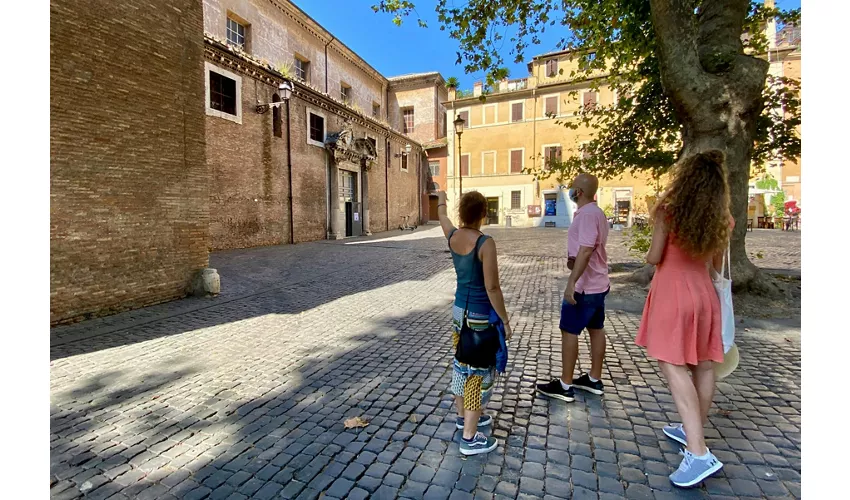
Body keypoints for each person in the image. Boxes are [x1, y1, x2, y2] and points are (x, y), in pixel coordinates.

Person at [635, 150, 733, 488]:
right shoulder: (723, 218)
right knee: (704, 365)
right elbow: (716, 265)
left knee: (673, 365)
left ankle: (699, 451)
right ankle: (692, 429)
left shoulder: (669, 211)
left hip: (673, 294)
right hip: (705, 294)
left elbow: (654, 256)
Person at [437, 190, 511, 456]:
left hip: (459, 312)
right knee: (477, 374)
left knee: (461, 363)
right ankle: (469, 437)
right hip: (480, 316)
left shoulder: (453, 236)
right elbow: (492, 287)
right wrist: (504, 318)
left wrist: (441, 197)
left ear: (461, 213)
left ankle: (462, 417)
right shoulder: (485, 243)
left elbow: (441, 215)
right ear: (483, 214)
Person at [537, 173, 610, 402]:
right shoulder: (597, 213)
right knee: (596, 329)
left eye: (573, 187)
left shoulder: (587, 215)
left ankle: (565, 384)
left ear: (579, 191)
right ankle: (594, 379)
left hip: (585, 286)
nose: (570, 190)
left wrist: (571, 282)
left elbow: (586, 249)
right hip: (599, 283)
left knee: (569, 330)